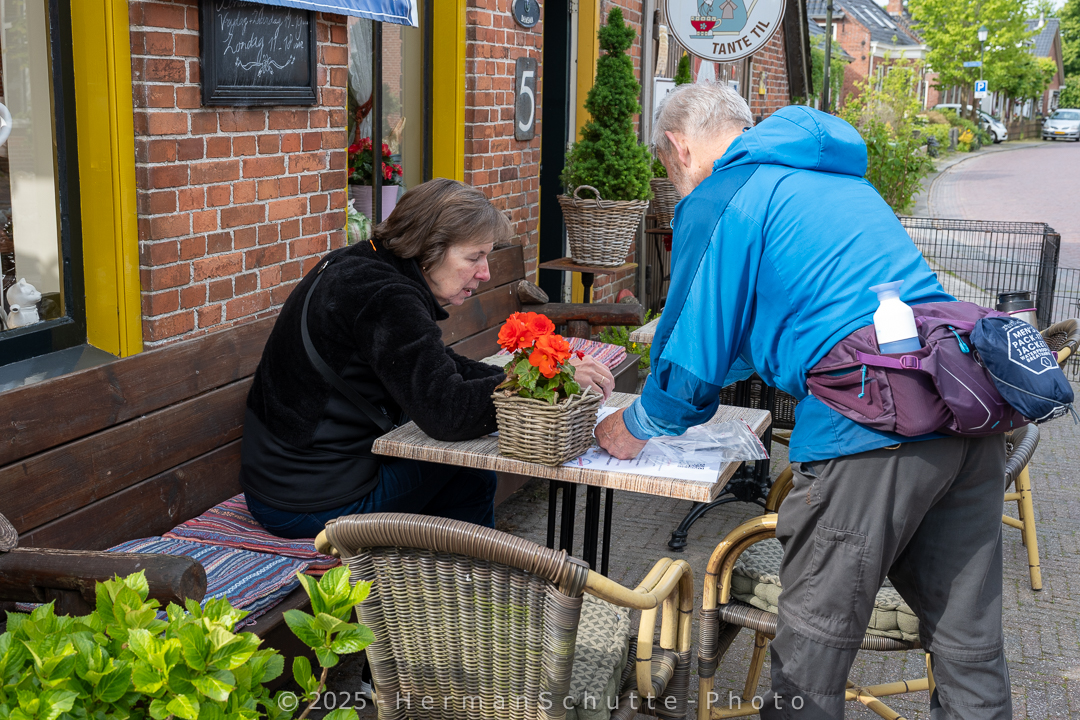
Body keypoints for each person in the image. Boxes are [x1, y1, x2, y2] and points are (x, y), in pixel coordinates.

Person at [595, 84, 1011, 719]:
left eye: (664, 164)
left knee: (810, 661)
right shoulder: (834, 179)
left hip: (870, 431)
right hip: (962, 409)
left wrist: (634, 424)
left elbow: (690, 365)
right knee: (968, 645)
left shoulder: (721, 194)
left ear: (677, 148)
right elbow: (801, 314)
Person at [241, 178, 614, 539]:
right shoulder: (386, 296)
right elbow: (447, 413)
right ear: (429, 247)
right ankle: (466, 577)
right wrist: (548, 378)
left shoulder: (360, 264)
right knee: (469, 471)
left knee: (465, 472)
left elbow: (438, 364)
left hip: (282, 482)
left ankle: (450, 574)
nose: (485, 273)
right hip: (310, 503)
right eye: (474, 257)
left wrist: (531, 373)